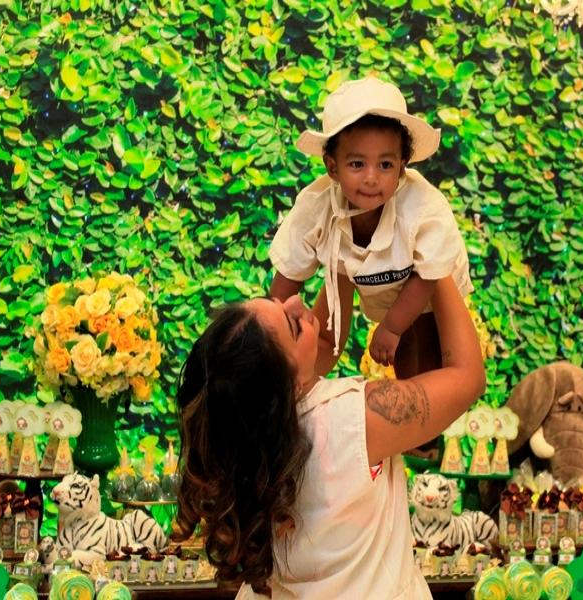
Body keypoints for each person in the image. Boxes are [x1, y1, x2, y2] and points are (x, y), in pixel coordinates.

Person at [174, 277, 485, 598]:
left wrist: (342, 264)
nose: (296, 302)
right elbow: (468, 377)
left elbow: (323, 342)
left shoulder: (251, 435)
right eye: (293, 324)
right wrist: (436, 265)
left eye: (280, 302)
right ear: (287, 382)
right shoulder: (359, 418)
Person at [269, 76, 472, 380]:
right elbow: (288, 275)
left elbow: (428, 275)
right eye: (357, 164)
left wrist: (391, 327)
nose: (371, 178)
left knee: (420, 356)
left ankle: (425, 405)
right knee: (349, 342)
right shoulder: (315, 206)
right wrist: (270, 331)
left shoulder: (422, 208)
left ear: (402, 167)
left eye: (385, 165)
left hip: (427, 286)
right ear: (332, 167)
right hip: (369, 274)